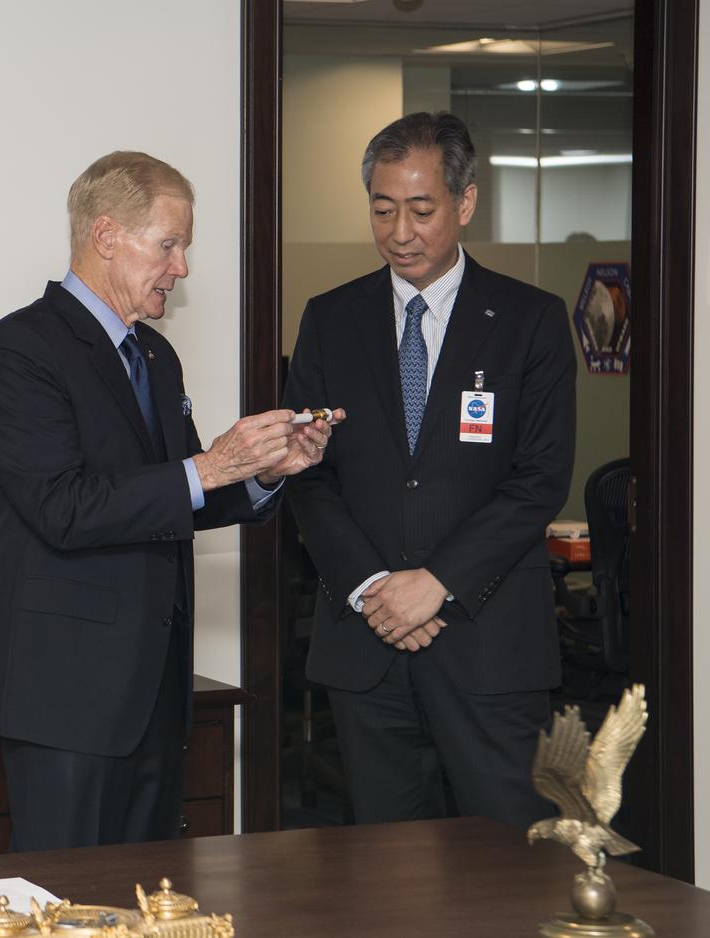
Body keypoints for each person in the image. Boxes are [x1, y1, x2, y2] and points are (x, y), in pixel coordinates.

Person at [0, 151, 338, 851]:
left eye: (184, 248)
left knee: (149, 904)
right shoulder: (22, 349)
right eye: (170, 245)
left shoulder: (154, 356)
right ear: (106, 236)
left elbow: (185, 497)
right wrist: (212, 463)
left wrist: (263, 472)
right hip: (66, 702)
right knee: (65, 909)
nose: (183, 267)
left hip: (156, 700)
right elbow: (64, 508)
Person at [282, 112, 576, 828]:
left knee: (505, 870)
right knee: (386, 881)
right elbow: (306, 473)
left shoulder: (530, 320)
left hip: (488, 650)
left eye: (421, 209)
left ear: (465, 203)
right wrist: (376, 589)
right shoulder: (331, 319)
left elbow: (538, 478)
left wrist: (437, 585)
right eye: (383, 210)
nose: (400, 232)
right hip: (366, 651)